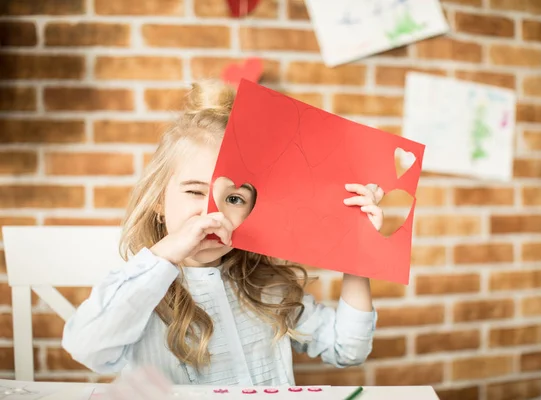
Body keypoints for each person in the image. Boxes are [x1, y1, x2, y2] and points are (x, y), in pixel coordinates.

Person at [62, 79, 384, 386]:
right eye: (194, 192)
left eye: (233, 199)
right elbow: (86, 346)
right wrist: (166, 254)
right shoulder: (140, 292)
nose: (211, 214)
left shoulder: (267, 289)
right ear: (160, 200)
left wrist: (355, 248)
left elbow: (348, 349)